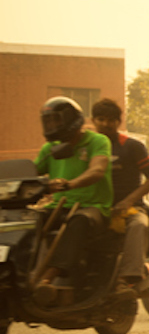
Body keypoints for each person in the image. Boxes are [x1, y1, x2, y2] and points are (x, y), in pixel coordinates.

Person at [31, 97, 113, 305]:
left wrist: (70, 184)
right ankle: (25, 272)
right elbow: (30, 174)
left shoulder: (98, 141)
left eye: (56, 121)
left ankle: (47, 278)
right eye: (47, 122)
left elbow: (97, 170)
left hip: (94, 207)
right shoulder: (50, 148)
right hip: (57, 206)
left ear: (71, 120)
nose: (51, 126)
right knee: (29, 220)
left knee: (78, 221)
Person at [90, 99, 149, 296]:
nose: (105, 124)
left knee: (139, 225)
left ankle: (128, 278)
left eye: (111, 120)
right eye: (101, 119)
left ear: (118, 122)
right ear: (93, 121)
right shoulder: (87, 148)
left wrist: (128, 201)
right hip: (95, 208)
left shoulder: (132, 146)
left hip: (130, 209)